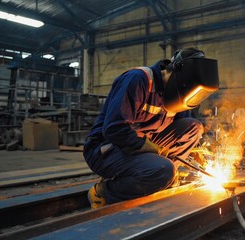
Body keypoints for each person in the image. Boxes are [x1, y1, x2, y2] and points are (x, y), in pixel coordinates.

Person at [84, 48, 219, 208]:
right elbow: (114, 128)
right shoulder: (138, 80)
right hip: (106, 149)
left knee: (194, 128)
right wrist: (146, 147)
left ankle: (163, 177)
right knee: (162, 169)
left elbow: (186, 127)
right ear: (175, 73)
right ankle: (105, 191)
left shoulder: (178, 95)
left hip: (140, 146)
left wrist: (198, 151)